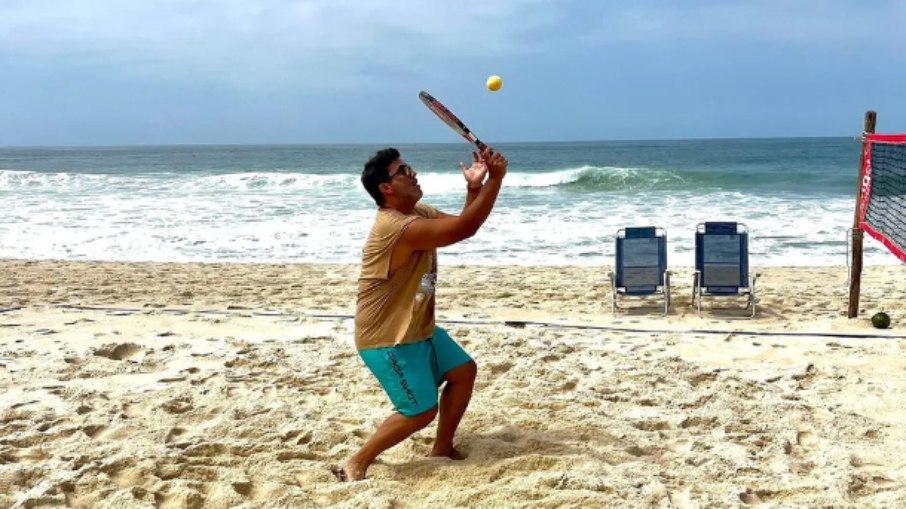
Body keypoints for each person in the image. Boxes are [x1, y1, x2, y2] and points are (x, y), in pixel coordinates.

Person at [340, 145, 508, 481]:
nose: (412, 173)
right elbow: (465, 229)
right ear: (386, 188)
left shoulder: (417, 213)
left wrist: (475, 187)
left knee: (463, 371)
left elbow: (462, 223)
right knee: (419, 410)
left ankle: (442, 447)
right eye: (402, 171)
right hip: (387, 337)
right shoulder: (395, 227)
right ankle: (357, 461)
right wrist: (497, 178)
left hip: (417, 326)